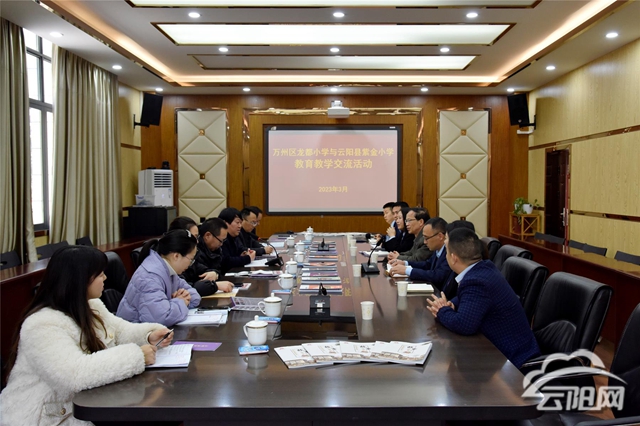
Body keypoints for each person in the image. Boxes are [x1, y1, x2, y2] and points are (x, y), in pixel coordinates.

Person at [0, 246, 172, 425]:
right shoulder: (41, 324)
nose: (105, 278)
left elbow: (119, 331)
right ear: (80, 280)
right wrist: (137, 356)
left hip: (84, 404)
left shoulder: (92, 305)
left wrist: (148, 335)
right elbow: (74, 374)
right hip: (45, 416)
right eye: (100, 274)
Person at [426, 228, 540, 369]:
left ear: (454, 258)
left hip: (512, 361)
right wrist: (452, 305)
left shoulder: (476, 281)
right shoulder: (484, 268)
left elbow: (464, 325)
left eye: (447, 251)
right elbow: (465, 298)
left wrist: (442, 311)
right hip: (500, 352)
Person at [117, 230, 201, 326]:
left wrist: (180, 300)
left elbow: (195, 297)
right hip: (133, 332)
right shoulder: (150, 277)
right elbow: (162, 318)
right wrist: (180, 301)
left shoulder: (169, 271)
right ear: (176, 256)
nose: (190, 264)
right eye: (191, 259)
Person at [389, 217, 451, 289]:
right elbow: (427, 264)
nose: (424, 242)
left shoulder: (449, 252)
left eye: (426, 238)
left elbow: (437, 276)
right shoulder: (437, 249)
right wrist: (405, 263)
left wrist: (408, 270)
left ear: (440, 236)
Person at [182, 217, 235, 296]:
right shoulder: (195, 254)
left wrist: (215, 274)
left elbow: (211, 270)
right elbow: (187, 288)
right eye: (194, 237)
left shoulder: (215, 251)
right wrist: (215, 286)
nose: (197, 241)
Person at [218, 207, 255, 273]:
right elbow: (226, 261)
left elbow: (240, 249)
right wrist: (248, 258)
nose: (240, 226)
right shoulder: (220, 239)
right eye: (237, 222)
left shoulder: (235, 236)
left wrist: (244, 253)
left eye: (240, 223)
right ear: (225, 223)